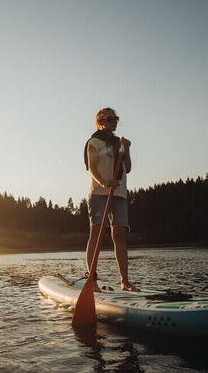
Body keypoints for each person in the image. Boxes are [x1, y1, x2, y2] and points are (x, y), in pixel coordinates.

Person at [84, 107, 139, 292]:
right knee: (97, 234)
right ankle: (91, 280)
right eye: (109, 118)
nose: (114, 121)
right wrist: (105, 182)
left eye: (116, 118)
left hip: (119, 194)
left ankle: (124, 281)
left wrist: (127, 150)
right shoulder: (94, 142)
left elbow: (128, 168)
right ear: (100, 122)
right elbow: (92, 167)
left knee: (120, 236)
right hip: (100, 193)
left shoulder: (120, 143)